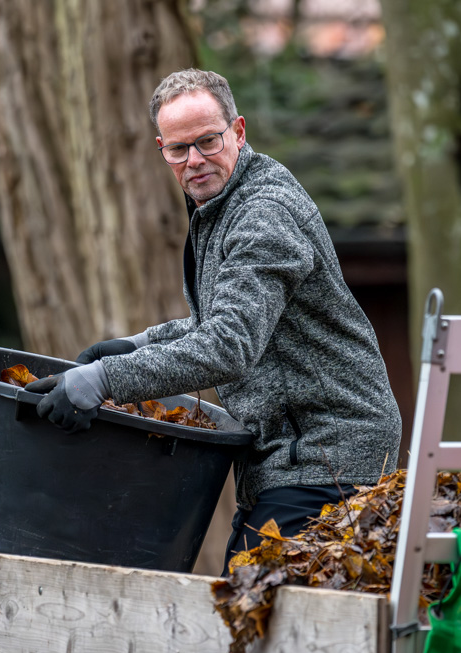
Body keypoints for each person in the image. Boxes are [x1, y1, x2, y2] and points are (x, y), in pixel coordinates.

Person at [26, 68, 401, 573]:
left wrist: (104, 380)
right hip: (291, 458)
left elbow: (229, 345)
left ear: (238, 132)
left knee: (244, 603)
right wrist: (136, 347)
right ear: (162, 149)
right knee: (239, 601)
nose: (195, 160)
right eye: (179, 149)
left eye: (208, 141)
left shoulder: (264, 214)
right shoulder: (221, 205)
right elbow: (227, 320)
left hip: (328, 458)